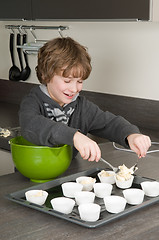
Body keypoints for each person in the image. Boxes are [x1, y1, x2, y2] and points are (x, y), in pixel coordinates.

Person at [19, 37, 151, 162]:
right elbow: (32, 125)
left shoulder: (82, 107)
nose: (74, 88)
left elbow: (109, 123)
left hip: (66, 175)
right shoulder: (32, 102)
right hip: (31, 176)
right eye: (67, 81)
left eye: (80, 81)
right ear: (45, 75)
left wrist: (131, 135)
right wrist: (74, 136)